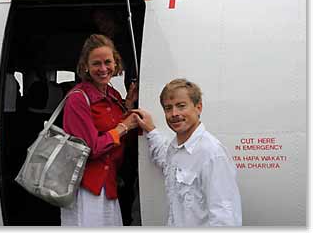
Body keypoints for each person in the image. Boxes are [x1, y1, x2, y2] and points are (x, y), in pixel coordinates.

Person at [133, 79, 242, 227]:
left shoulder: (212, 153)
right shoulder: (175, 149)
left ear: (198, 107)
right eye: (168, 108)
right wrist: (151, 130)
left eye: (181, 106)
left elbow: (225, 218)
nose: (174, 114)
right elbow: (165, 161)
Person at [60, 34, 138, 226]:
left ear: (115, 63)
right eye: (96, 63)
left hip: (108, 182)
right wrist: (123, 126)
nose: (103, 69)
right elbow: (91, 148)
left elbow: (121, 136)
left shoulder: (113, 95)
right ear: (85, 66)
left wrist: (127, 106)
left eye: (108, 62)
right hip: (86, 187)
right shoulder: (78, 99)